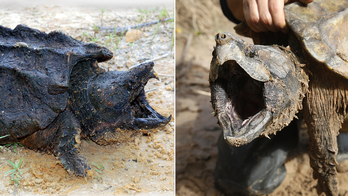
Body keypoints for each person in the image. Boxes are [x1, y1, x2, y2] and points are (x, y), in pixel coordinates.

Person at [214, 0, 348, 195]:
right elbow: (231, 8)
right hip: (282, 67)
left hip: (338, 82)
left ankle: (343, 129)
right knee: (238, 178)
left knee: (331, 145)